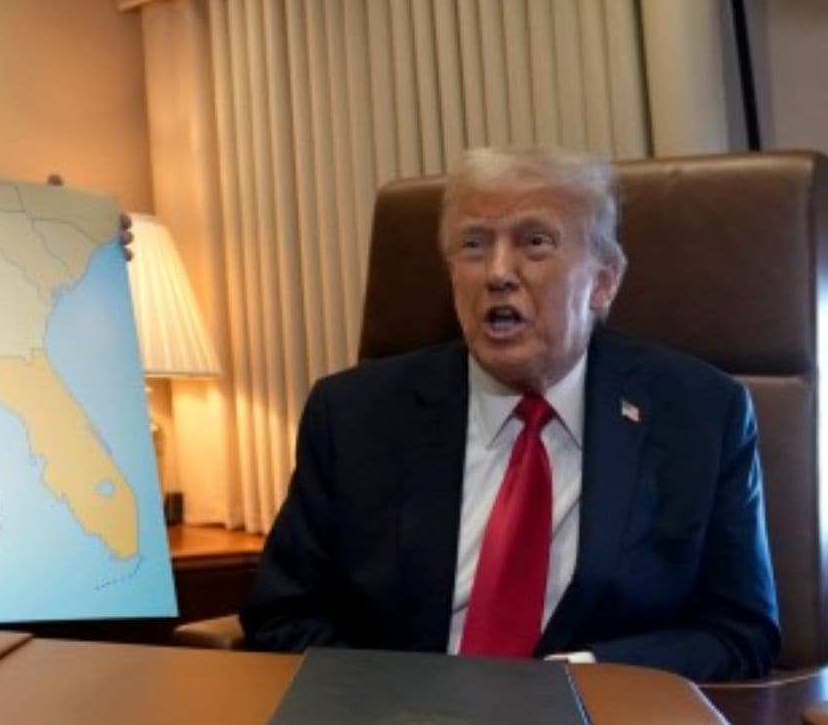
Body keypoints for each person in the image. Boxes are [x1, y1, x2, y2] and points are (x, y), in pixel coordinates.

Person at [241, 146, 779, 682]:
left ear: (603, 282)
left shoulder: (700, 417)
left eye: (535, 242)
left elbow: (740, 632)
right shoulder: (353, 417)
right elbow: (283, 615)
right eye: (474, 245)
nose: (497, 273)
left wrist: (586, 677)